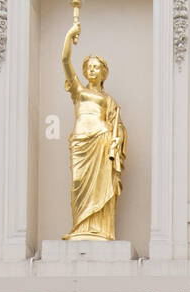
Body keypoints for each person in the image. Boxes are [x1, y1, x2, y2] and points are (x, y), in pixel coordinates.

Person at [61, 18, 127, 241]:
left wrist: (117, 139)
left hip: (102, 140)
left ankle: (99, 230)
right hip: (81, 142)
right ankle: (80, 228)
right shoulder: (78, 90)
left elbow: (118, 125)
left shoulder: (108, 99)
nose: (91, 69)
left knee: (102, 186)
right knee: (78, 183)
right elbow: (65, 60)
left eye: (96, 67)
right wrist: (70, 36)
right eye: (89, 66)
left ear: (103, 72)